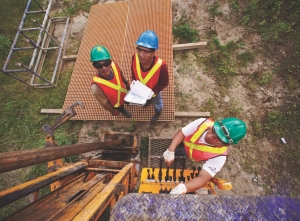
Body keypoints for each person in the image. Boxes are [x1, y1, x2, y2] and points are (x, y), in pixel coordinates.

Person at [163, 117, 247, 194]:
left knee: (182, 153)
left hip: (191, 155)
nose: (210, 135)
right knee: (178, 149)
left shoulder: (220, 156)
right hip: (185, 144)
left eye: (216, 138)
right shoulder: (202, 123)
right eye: (213, 130)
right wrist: (171, 150)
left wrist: (184, 187)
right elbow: (182, 132)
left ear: (226, 144)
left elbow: (203, 177)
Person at [131, 30, 169, 122]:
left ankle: (158, 111)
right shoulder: (134, 57)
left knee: (157, 103)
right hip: (140, 89)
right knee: (145, 100)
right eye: (139, 50)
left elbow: (164, 82)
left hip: (153, 92)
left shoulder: (161, 66)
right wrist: (134, 81)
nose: (141, 54)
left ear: (153, 53)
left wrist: (153, 92)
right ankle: (147, 102)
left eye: (146, 52)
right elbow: (133, 70)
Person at [90, 45, 132, 117]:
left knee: (126, 100)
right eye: (99, 65)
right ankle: (123, 111)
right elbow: (104, 103)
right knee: (121, 108)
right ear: (94, 66)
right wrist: (112, 111)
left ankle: (127, 101)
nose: (104, 67)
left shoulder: (114, 65)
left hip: (124, 94)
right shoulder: (96, 87)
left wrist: (126, 82)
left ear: (110, 61)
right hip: (117, 104)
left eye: (106, 63)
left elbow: (120, 73)